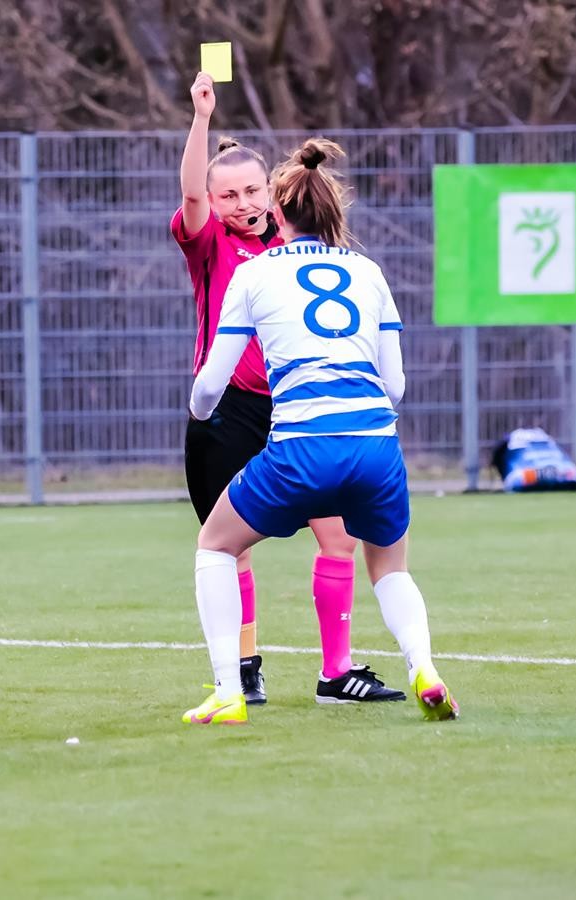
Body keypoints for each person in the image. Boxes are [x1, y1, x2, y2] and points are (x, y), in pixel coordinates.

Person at [181, 137, 459, 726]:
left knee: (216, 546)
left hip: (302, 446)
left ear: (276, 213)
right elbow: (396, 384)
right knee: (391, 568)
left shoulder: (255, 273)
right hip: (377, 447)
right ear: (333, 211)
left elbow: (211, 384)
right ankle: (425, 668)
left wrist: (201, 413)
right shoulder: (369, 271)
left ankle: (230, 690)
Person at [172, 73, 403, 705]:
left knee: (339, 537)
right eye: (227, 195)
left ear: (273, 198)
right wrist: (201, 118)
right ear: (211, 201)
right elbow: (190, 191)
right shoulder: (209, 242)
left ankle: (337, 671)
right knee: (230, 548)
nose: (240, 203)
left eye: (252, 191)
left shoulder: (293, 249)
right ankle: (244, 668)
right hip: (227, 415)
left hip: (299, 412)